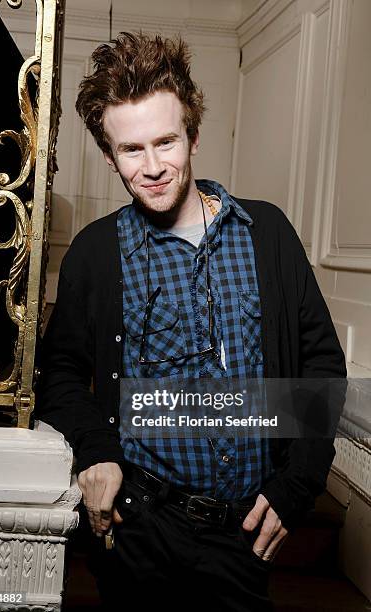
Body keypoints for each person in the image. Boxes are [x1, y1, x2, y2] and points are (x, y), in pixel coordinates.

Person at [37, 32, 346, 612]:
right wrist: (96, 448)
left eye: (166, 142)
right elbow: (60, 372)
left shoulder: (268, 236)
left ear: (193, 136)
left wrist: (295, 486)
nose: (153, 168)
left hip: (243, 534)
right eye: (131, 150)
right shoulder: (94, 254)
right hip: (139, 529)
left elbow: (320, 364)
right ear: (109, 156)